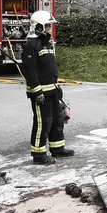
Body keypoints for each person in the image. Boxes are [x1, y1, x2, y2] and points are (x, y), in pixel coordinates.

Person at [22, 10, 75, 165]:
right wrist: (37, 91)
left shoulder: (48, 43)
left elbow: (51, 68)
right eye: (47, 26)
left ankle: (57, 148)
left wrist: (57, 88)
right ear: (38, 27)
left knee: (57, 120)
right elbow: (30, 72)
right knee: (42, 123)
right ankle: (39, 155)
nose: (50, 29)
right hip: (40, 94)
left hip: (52, 91)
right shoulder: (31, 46)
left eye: (50, 26)